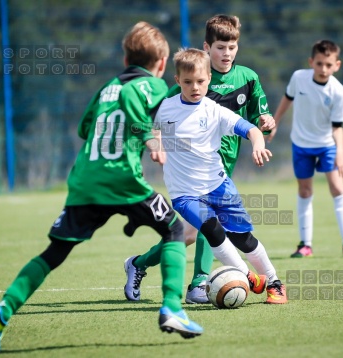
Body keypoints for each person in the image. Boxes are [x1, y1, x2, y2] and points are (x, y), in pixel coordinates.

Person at [0, 22, 203, 354]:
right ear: (162, 63)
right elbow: (143, 104)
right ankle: (172, 307)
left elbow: (85, 128)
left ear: (125, 58)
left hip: (85, 181)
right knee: (174, 230)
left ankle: (2, 312)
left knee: (54, 253)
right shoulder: (152, 86)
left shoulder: (106, 87)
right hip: (121, 179)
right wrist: (151, 137)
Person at [124, 14, 276, 305]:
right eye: (220, 47)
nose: (226, 53)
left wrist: (265, 123)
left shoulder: (247, 77)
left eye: (231, 47)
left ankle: (140, 264)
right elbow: (152, 121)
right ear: (208, 49)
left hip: (218, 171)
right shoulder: (184, 89)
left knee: (190, 234)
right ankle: (198, 283)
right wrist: (155, 141)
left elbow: (256, 119)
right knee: (205, 229)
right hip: (192, 178)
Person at [158, 47, 286, 304]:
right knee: (212, 229)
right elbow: (142, 128)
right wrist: (153, 145)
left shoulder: (214, 110)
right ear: (177, 81)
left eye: (201, 81)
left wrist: (258, 144)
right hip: (184, 193)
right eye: (187, 82)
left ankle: (273, 281)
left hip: (218, 186)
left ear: (208, 78)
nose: (195, 87)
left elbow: (251, 130)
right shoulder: (165, 108)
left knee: (243, 238)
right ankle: (248, 277)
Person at [269, 40, 343, 258]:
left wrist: (340, 153)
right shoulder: (298, 78)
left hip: (326, 146)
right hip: (301, 145)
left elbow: (337, 127)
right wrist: (274, 122)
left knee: (337, 187)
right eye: (320, 63)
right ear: (311, 62)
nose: (323, 69)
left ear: (337, 65)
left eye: (328, 65)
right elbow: (287, 99)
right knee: (305, 191)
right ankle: (305, 245)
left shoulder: (339, 92)